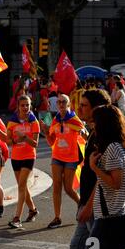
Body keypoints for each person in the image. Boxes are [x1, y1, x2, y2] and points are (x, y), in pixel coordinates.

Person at [83, 105, 125, 249]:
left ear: (104, 123)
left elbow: (116, 183)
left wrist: (95, 168)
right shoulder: (119, 146)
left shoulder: (113, 148)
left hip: (108, 219)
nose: (92, 125)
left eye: (95, 121)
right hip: (112, 217)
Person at [65, 89, 117, 249]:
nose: (80, 109)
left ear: (97, 109)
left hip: (96, 210)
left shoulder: (102, 137)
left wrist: (87, 208)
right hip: (88, 206)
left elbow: (102, 178)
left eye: (84, 106)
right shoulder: (94, 133)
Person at [40, 94, 84, 229]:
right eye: (59, 102)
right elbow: (52, 141)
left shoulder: (74, 119)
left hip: (71, 157)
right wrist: (46, 132)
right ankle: (57, 217)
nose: (61, 104)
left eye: (64, 102)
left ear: (69, 104)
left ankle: (82, 205)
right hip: (57, 156)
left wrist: (83, 132)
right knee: (57, 186)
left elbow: (83, 133)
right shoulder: (55, 120)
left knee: (69, 188)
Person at [6, 95, 39, 229]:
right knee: (23, 187)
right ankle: (33, 209)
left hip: (29, 157)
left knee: (21, 186)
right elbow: (7, 141)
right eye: (22, 105)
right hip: (15, 157)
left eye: (27, 105)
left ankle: (17, 218)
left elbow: (35, 144)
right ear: (18, 107)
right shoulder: (12, 122)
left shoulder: (34, 122)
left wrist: (25, 137)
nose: (25, 107)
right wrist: (15, 141)